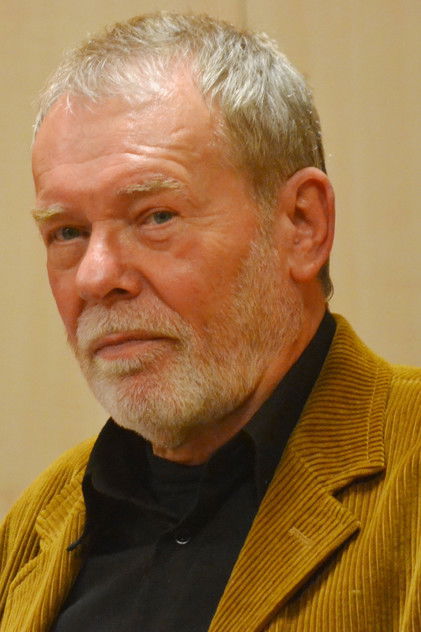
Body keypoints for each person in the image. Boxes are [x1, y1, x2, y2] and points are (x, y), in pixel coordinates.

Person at [0, 12, 419, 632]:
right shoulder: (36, 524)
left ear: (302, 226)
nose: (95, 276)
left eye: (156, 216)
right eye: (67, 231)